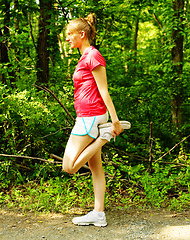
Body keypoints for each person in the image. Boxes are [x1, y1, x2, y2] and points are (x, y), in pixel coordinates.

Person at [62, 13, 131, 227]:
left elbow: (104, 91)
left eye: (70, 34)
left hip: (90, 117)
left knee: (69, 166)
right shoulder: (85, 57)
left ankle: (105, 136)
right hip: (89, 116)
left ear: (81, 34)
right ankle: (99, 214)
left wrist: (115, 121)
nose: (67, 39)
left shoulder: (92, 55)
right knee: (96, 168)